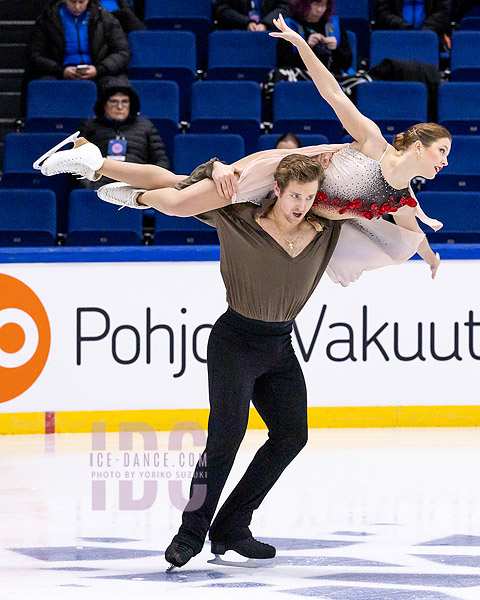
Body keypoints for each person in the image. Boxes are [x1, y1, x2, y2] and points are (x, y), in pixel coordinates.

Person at [35, 15, 448, 284]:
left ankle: (119, 180)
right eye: (441, 151)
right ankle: (102, 168)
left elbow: (409, 240)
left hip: (288, 210)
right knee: (181, 205)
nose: (445, 162)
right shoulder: (373, 142)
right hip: (276, 179)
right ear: (416, 144)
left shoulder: (402, 200)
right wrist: (302, 46)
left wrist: (430, 259)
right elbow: (333, 94)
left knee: (182, 187)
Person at [76, 76, 170, 189]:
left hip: (136, 186)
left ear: (131, 104)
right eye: (114, 101)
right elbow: (77, 160)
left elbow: (161, 160)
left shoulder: (146, 127)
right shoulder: (89, 126)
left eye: (124, 101)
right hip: (98, 187)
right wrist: (89, 185)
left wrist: (147, 184)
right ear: (104, 105)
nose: (120, 107)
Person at [27, 0, 131, 84]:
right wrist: (60, 71)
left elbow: (122, 52)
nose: (77, 7)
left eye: (81, 2)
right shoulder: (47, 20)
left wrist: (98, 70)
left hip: (99, 73)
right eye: (72, 2)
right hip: (58, 73)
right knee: (45, 84)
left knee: (116, 86)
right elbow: (35, 54)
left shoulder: (106, 19)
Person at [276, 0, 353, 76]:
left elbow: (347, 64)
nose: (320, 10)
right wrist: (306, 47)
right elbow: (283, 62)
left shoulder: (335, 24)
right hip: (301, 75)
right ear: (304, 4)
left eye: (323, 5)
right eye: (316, 5)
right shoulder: (289, 25)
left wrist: (336, 49)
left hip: (332, 76)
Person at [374, 0, 451, 41]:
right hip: (395, 36)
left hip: (429, 36)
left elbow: (444, 12)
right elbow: (383, 12)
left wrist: (424, 30)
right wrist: (403, 27)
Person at [213, 0, 291, 31]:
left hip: (272, 31)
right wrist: (247, 22)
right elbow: (222, 9)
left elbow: (285, 7)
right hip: (237, 31)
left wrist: (266, 24)